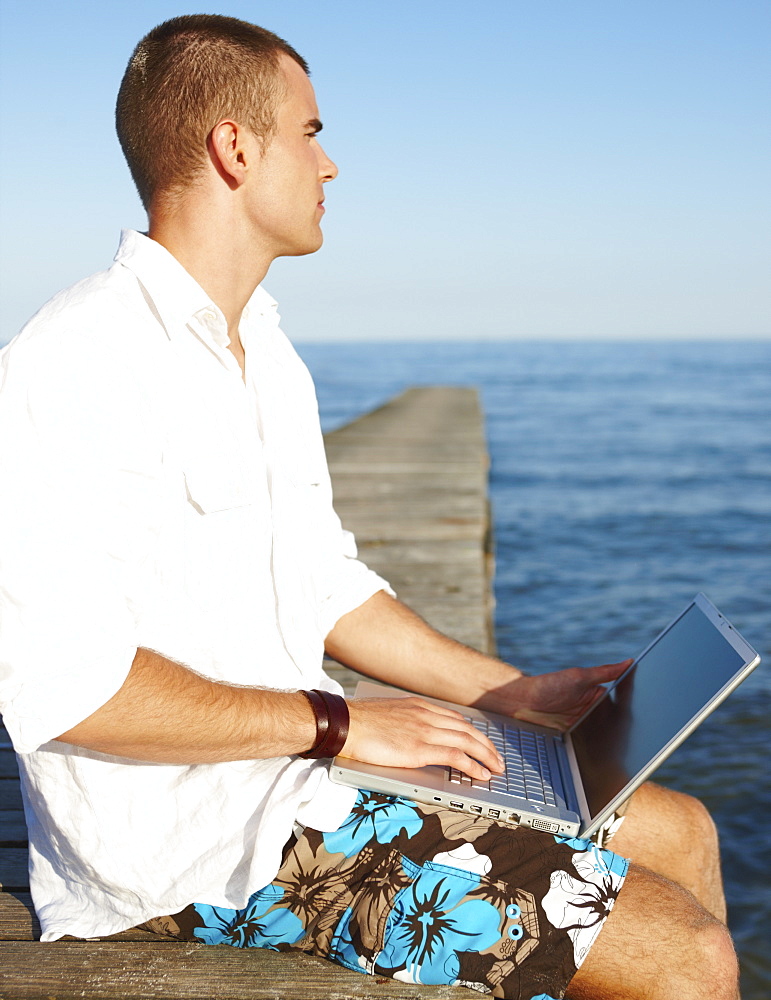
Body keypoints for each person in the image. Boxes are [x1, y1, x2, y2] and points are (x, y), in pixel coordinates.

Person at [0, 14, 738, 1000]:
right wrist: (342, 722)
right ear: (234, 148)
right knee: (688, 956)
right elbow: (71, 688)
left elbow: (323, 586)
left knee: (684, 830)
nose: (331, 163)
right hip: (192, 852)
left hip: (301, 776)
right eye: (309, 132)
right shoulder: (71, 365)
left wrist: (504, 693)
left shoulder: (261, 349)